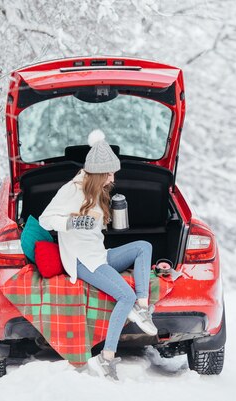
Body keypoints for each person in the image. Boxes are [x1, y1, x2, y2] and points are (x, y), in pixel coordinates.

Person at [39, 129, 168, 380]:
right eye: (109, 173)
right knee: (124, 295)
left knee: (144, 246)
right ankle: (105, 358)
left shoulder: (98, 191)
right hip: (82, 260)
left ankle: (142, 307)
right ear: (97, 172)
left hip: (99, 254)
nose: (112, 178)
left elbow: (96, 230)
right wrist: (73, 223)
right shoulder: (72, 190)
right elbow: (45, 220)